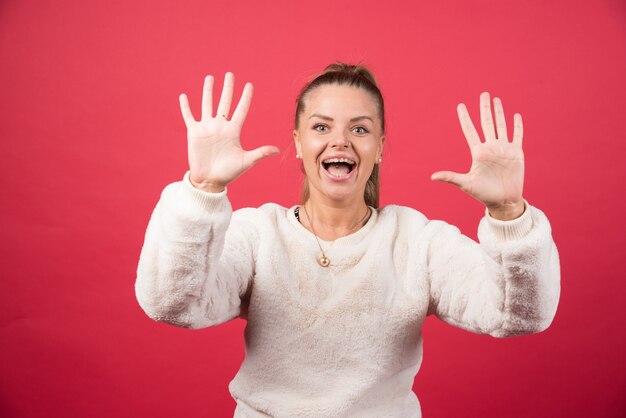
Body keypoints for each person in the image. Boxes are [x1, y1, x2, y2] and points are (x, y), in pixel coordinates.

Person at [135, 63, 561, 418]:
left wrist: (509, 213)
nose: (339, 140)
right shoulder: (257, 235)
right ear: (299, 145)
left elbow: (518, 316)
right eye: (321, 127)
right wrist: (203, 189)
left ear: (379, 148)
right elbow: (172, 303)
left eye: (360, 130)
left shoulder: (418, 241)